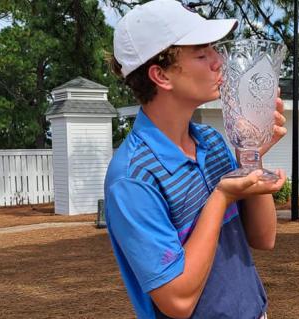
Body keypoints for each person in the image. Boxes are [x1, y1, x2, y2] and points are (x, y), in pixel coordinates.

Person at [104, 0, 287, 318]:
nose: (220, 61)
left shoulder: (212, 142)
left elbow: (263, 238)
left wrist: (251, 153)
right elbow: (178, 302)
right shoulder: (133, 178)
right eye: (202, 54)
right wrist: (222, 196)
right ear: (161, 76)